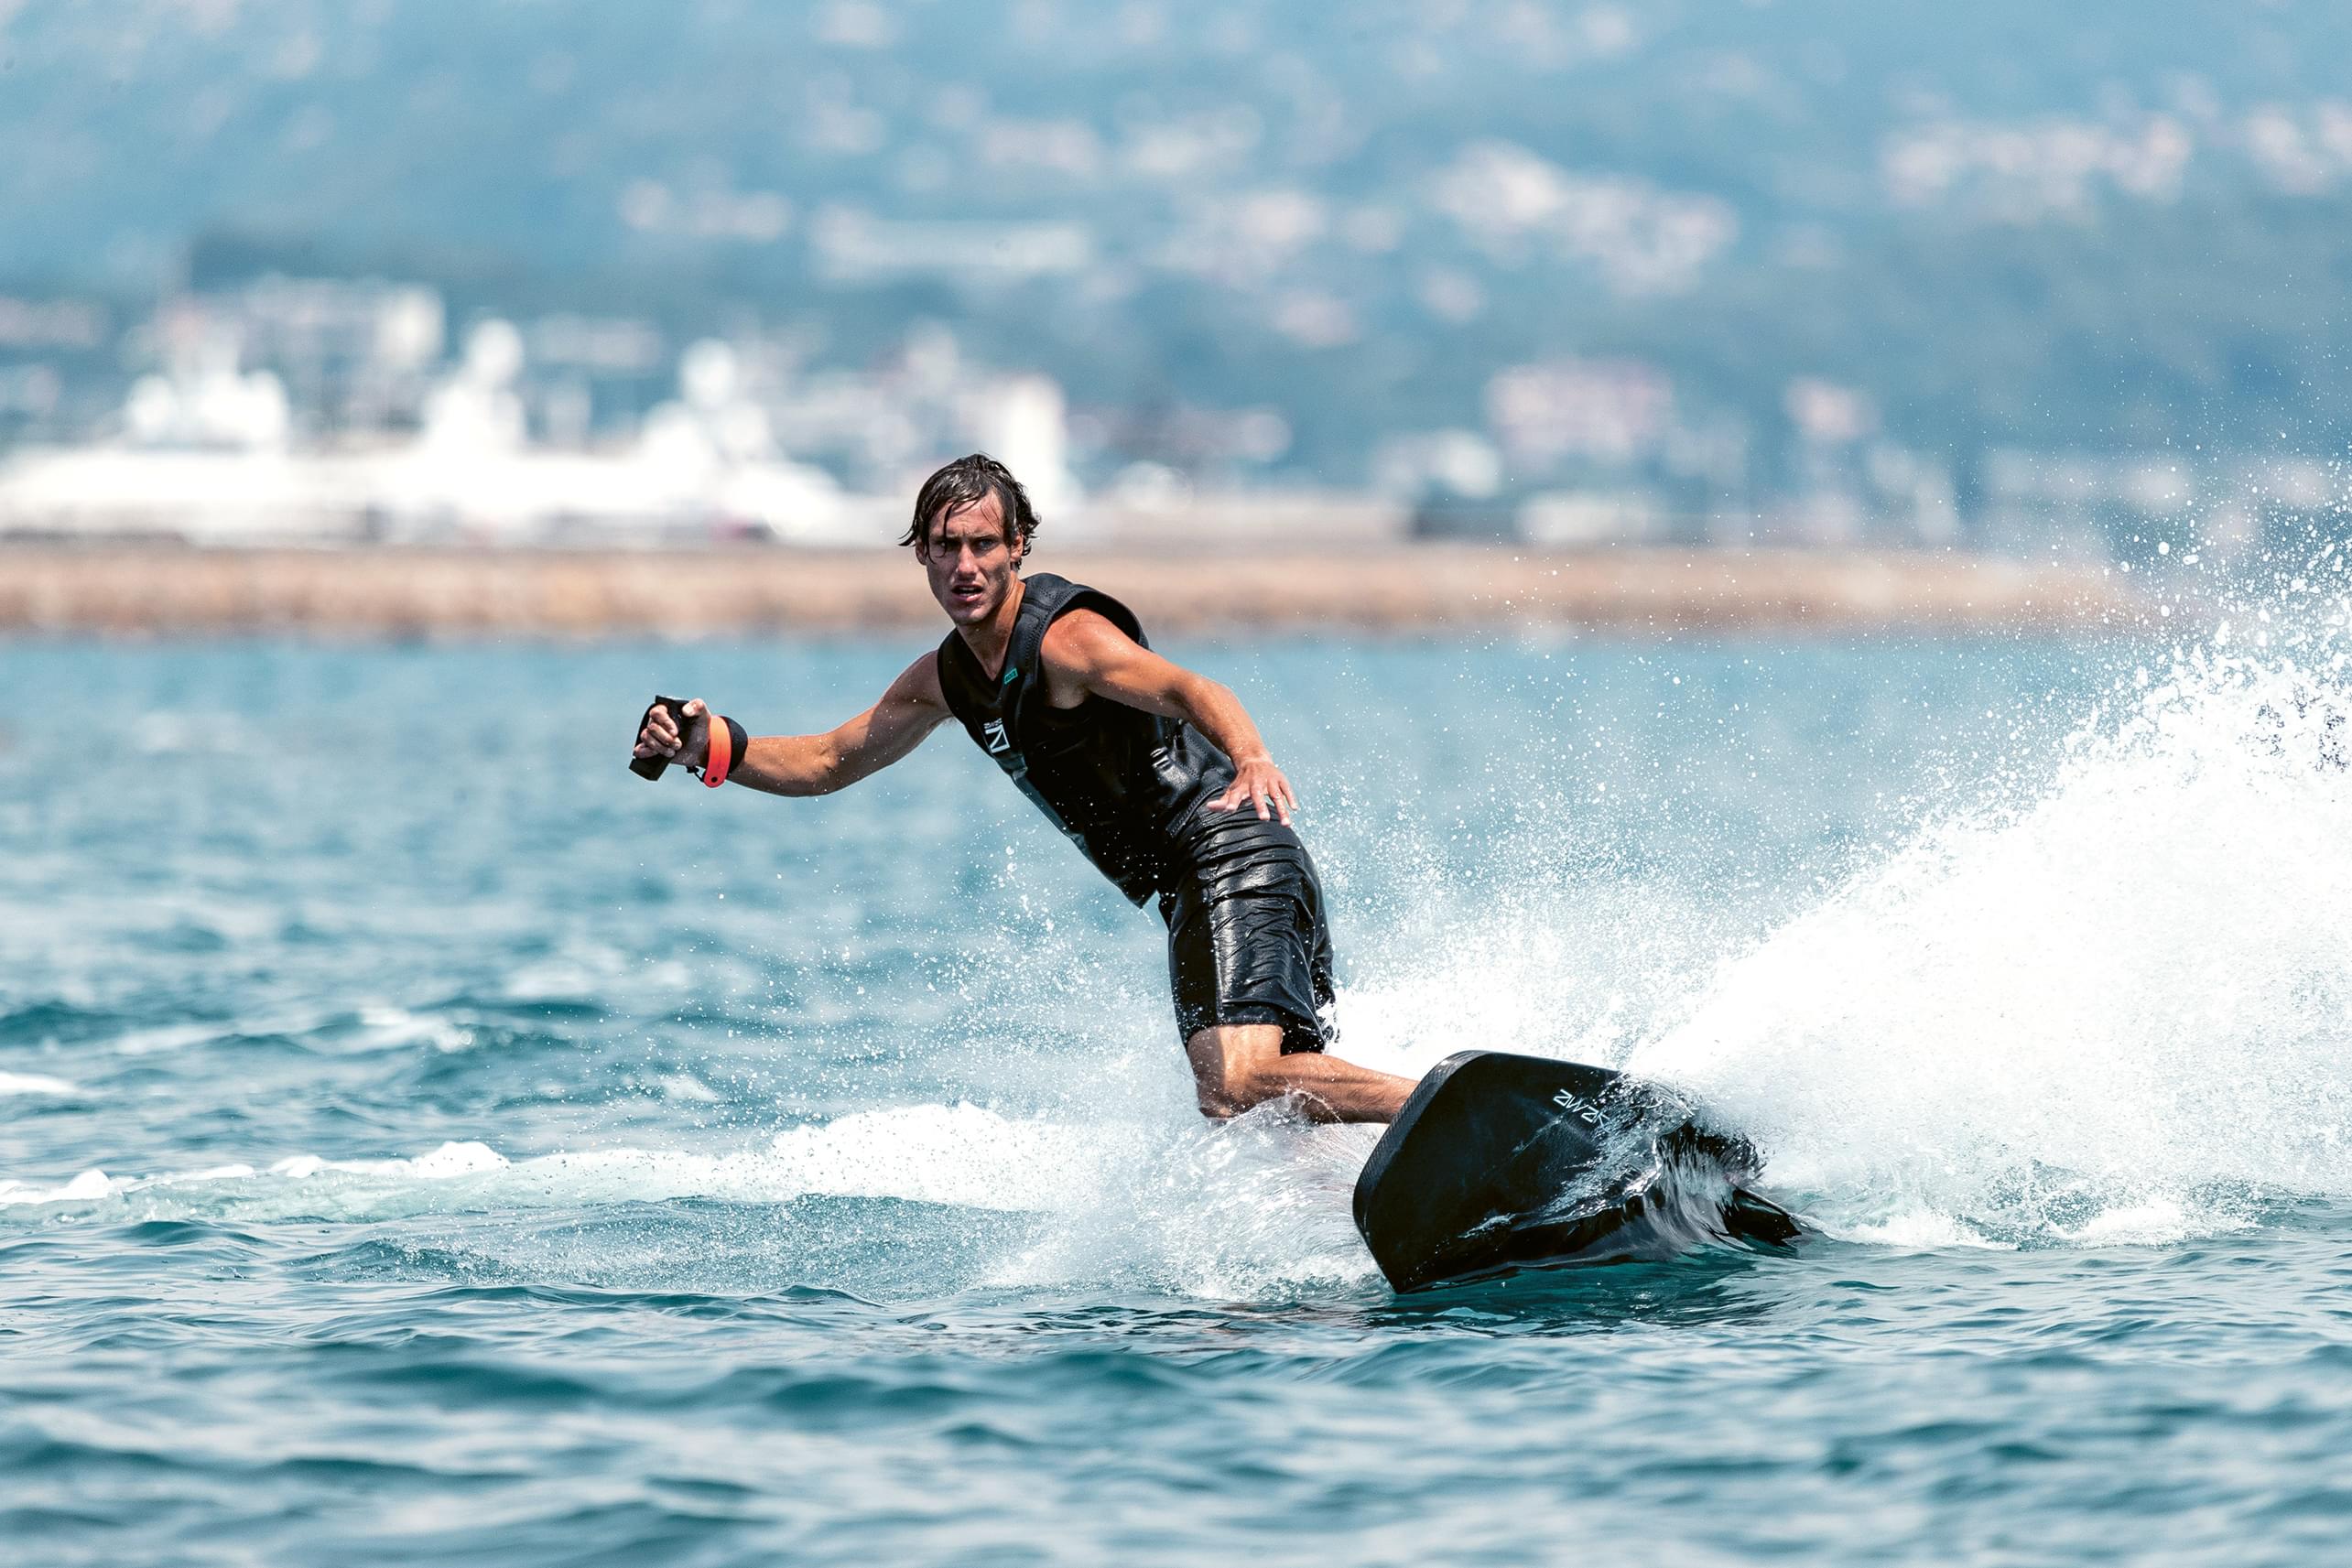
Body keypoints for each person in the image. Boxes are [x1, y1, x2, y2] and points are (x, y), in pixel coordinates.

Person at [634, 453, 1418, 1122]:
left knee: (1237, 1080)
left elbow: (1188, 687)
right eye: (946, 546)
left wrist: (1250, 755)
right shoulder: (947, 678)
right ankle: (1380, 1191)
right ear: (922, 555)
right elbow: (829, 760)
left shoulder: (1064, 640)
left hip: (1227, 851)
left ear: (1017, 547)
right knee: (1246, 1110)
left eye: (982, 544)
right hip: (1194, 886)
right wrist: (708, 746)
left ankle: (1438, 1098)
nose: (964, 566)